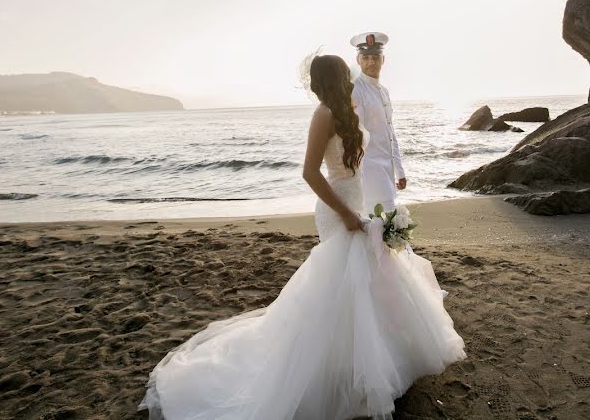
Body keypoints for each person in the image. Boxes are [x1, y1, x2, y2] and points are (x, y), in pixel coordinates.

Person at [138, 54, 465, 420]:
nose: (351, 77)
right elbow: (310, 172)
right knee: (340, 282)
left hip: (358, 203)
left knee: (365, 281)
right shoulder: (324, 114)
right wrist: (345, 214)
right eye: (346, 73)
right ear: (335, 78)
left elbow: (364, 160)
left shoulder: (348, 110)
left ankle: (367, 361)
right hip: (337, 210)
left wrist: (374, 200)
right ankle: (335, 369)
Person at [350, 32, 406, 214]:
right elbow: (356, 135)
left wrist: (400, 170)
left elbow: (391, 134)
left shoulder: (384, 91)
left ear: (384, 59)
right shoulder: (356, 90)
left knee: (384, 226)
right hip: (370, 172)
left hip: (386, 170)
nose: (371, 62)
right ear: (358, 60)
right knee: (386, 222)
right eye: (366, 57)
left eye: (375, 57)